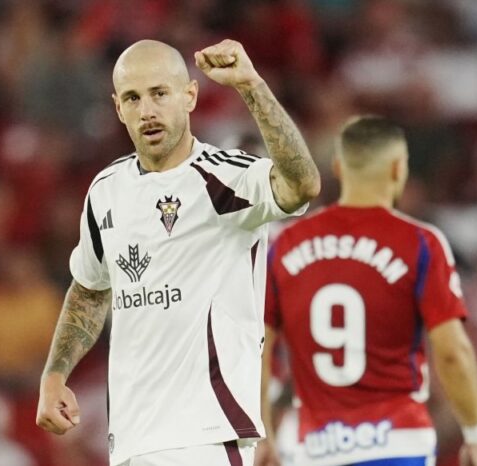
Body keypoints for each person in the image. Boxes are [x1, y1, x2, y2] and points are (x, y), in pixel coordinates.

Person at [35, 39, 320, 466]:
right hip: (131, 441)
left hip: (207, 438)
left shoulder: (226, 179)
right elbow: (91, 290)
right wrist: (55, 375)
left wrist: (251, 86)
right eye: (133, 98)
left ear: (190, 96)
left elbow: (303, 185)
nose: (147, 110)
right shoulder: (106, 191)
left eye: (159, 94)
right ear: (118, 108)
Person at [259, 116, 477, 466]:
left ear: (338, 167)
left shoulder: (285, 245)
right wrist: (475, 435)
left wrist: (263, 432)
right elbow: (452, 352)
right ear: (398, 169)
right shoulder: (420, 243)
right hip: (397, 444)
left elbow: (257, 348)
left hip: (316, 448)